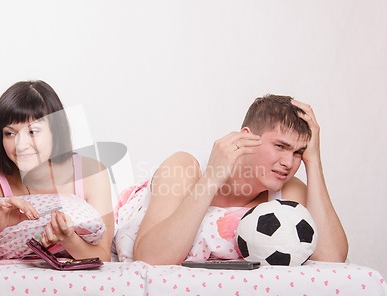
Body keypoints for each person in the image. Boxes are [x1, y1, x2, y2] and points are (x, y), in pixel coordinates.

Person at [131, 94, 348, 265]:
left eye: (298, 152)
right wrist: (212, 179)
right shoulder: (184, 167)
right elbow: (151, 258)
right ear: (247, 137)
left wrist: (314, 162)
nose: (288, 163)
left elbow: (332, 257)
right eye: (280, 146)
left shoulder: (288, 190)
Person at [0, 80, 114, 263]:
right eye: (10, 133)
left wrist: (68, 239)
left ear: (55, 131)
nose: (20, 145)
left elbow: (104, 257)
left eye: (33, 132)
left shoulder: (91, 173)